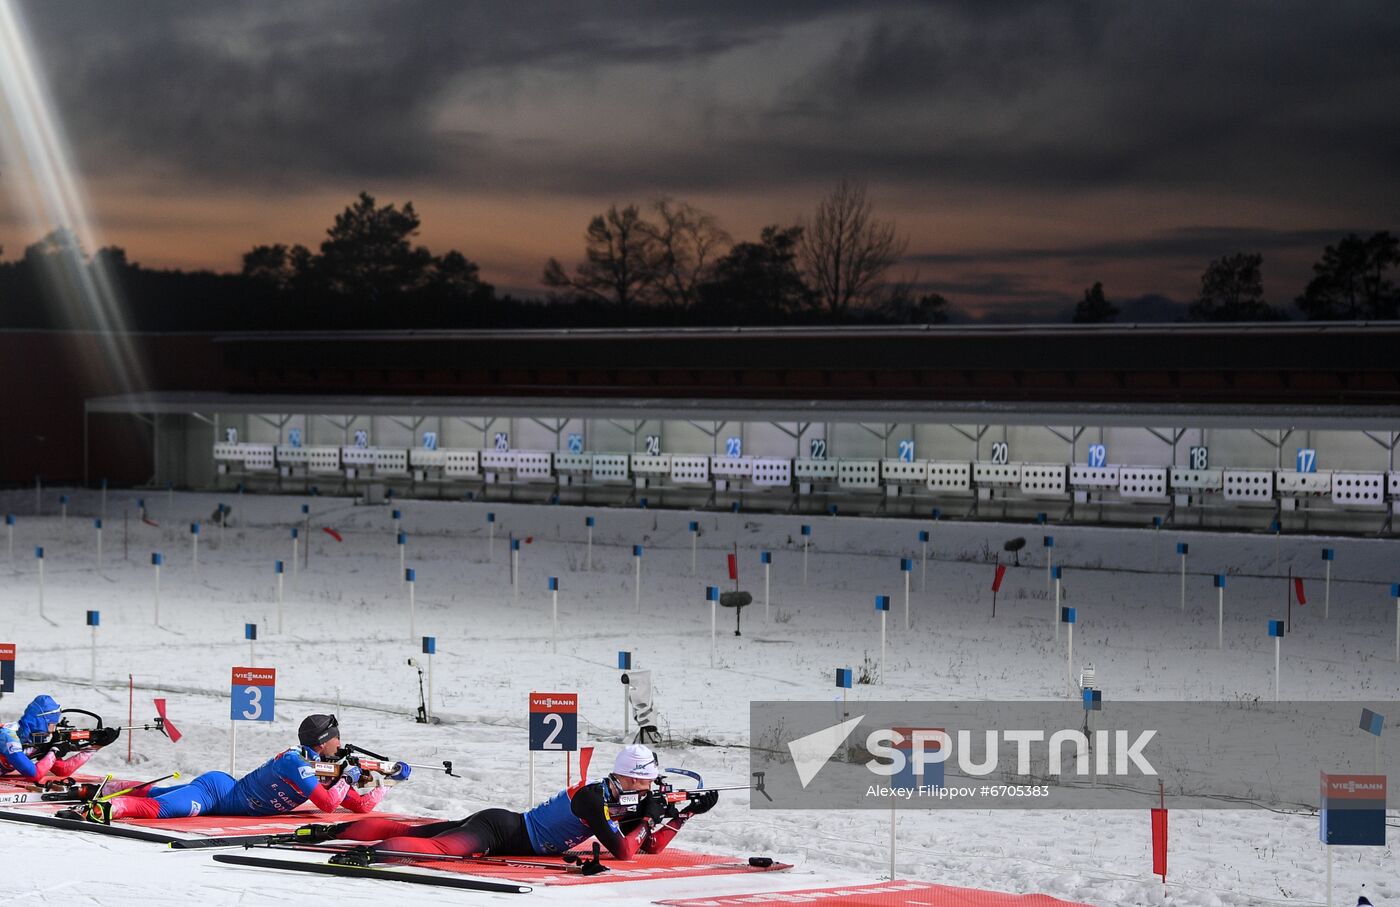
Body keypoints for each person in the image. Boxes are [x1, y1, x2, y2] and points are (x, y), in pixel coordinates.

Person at [307, 743, 716, 867]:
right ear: (627, 778)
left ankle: (330, 833)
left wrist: (682, 815)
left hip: (508, 828)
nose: (649, 789)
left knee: (415, 833)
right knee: (438, 848)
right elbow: (626, 851)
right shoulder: (596, 799)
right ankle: (362, 853)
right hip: (502, 831)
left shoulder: (624, 799)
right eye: (644, 783)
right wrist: (650, 818)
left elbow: (650, 846)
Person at [61, 713, 407, 823]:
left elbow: (359, 805)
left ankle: (98, 788)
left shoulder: (317, 766)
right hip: (216, 794)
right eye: (336, 739)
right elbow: (329, 804)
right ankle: (105, 807)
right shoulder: (295, 761)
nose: (340, 744)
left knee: (164, 793)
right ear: (322, 741)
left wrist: (389, 782)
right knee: (163, 808)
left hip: (228, 791)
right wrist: (347, 776)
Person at [0, 695, 119, 782]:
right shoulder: (8, 737)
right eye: (52, 723)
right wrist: (54, 752)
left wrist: (95, 747)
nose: (53, 729)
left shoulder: (35, 740)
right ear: (41, 721)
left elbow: (63, 770)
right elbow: (34, 775)